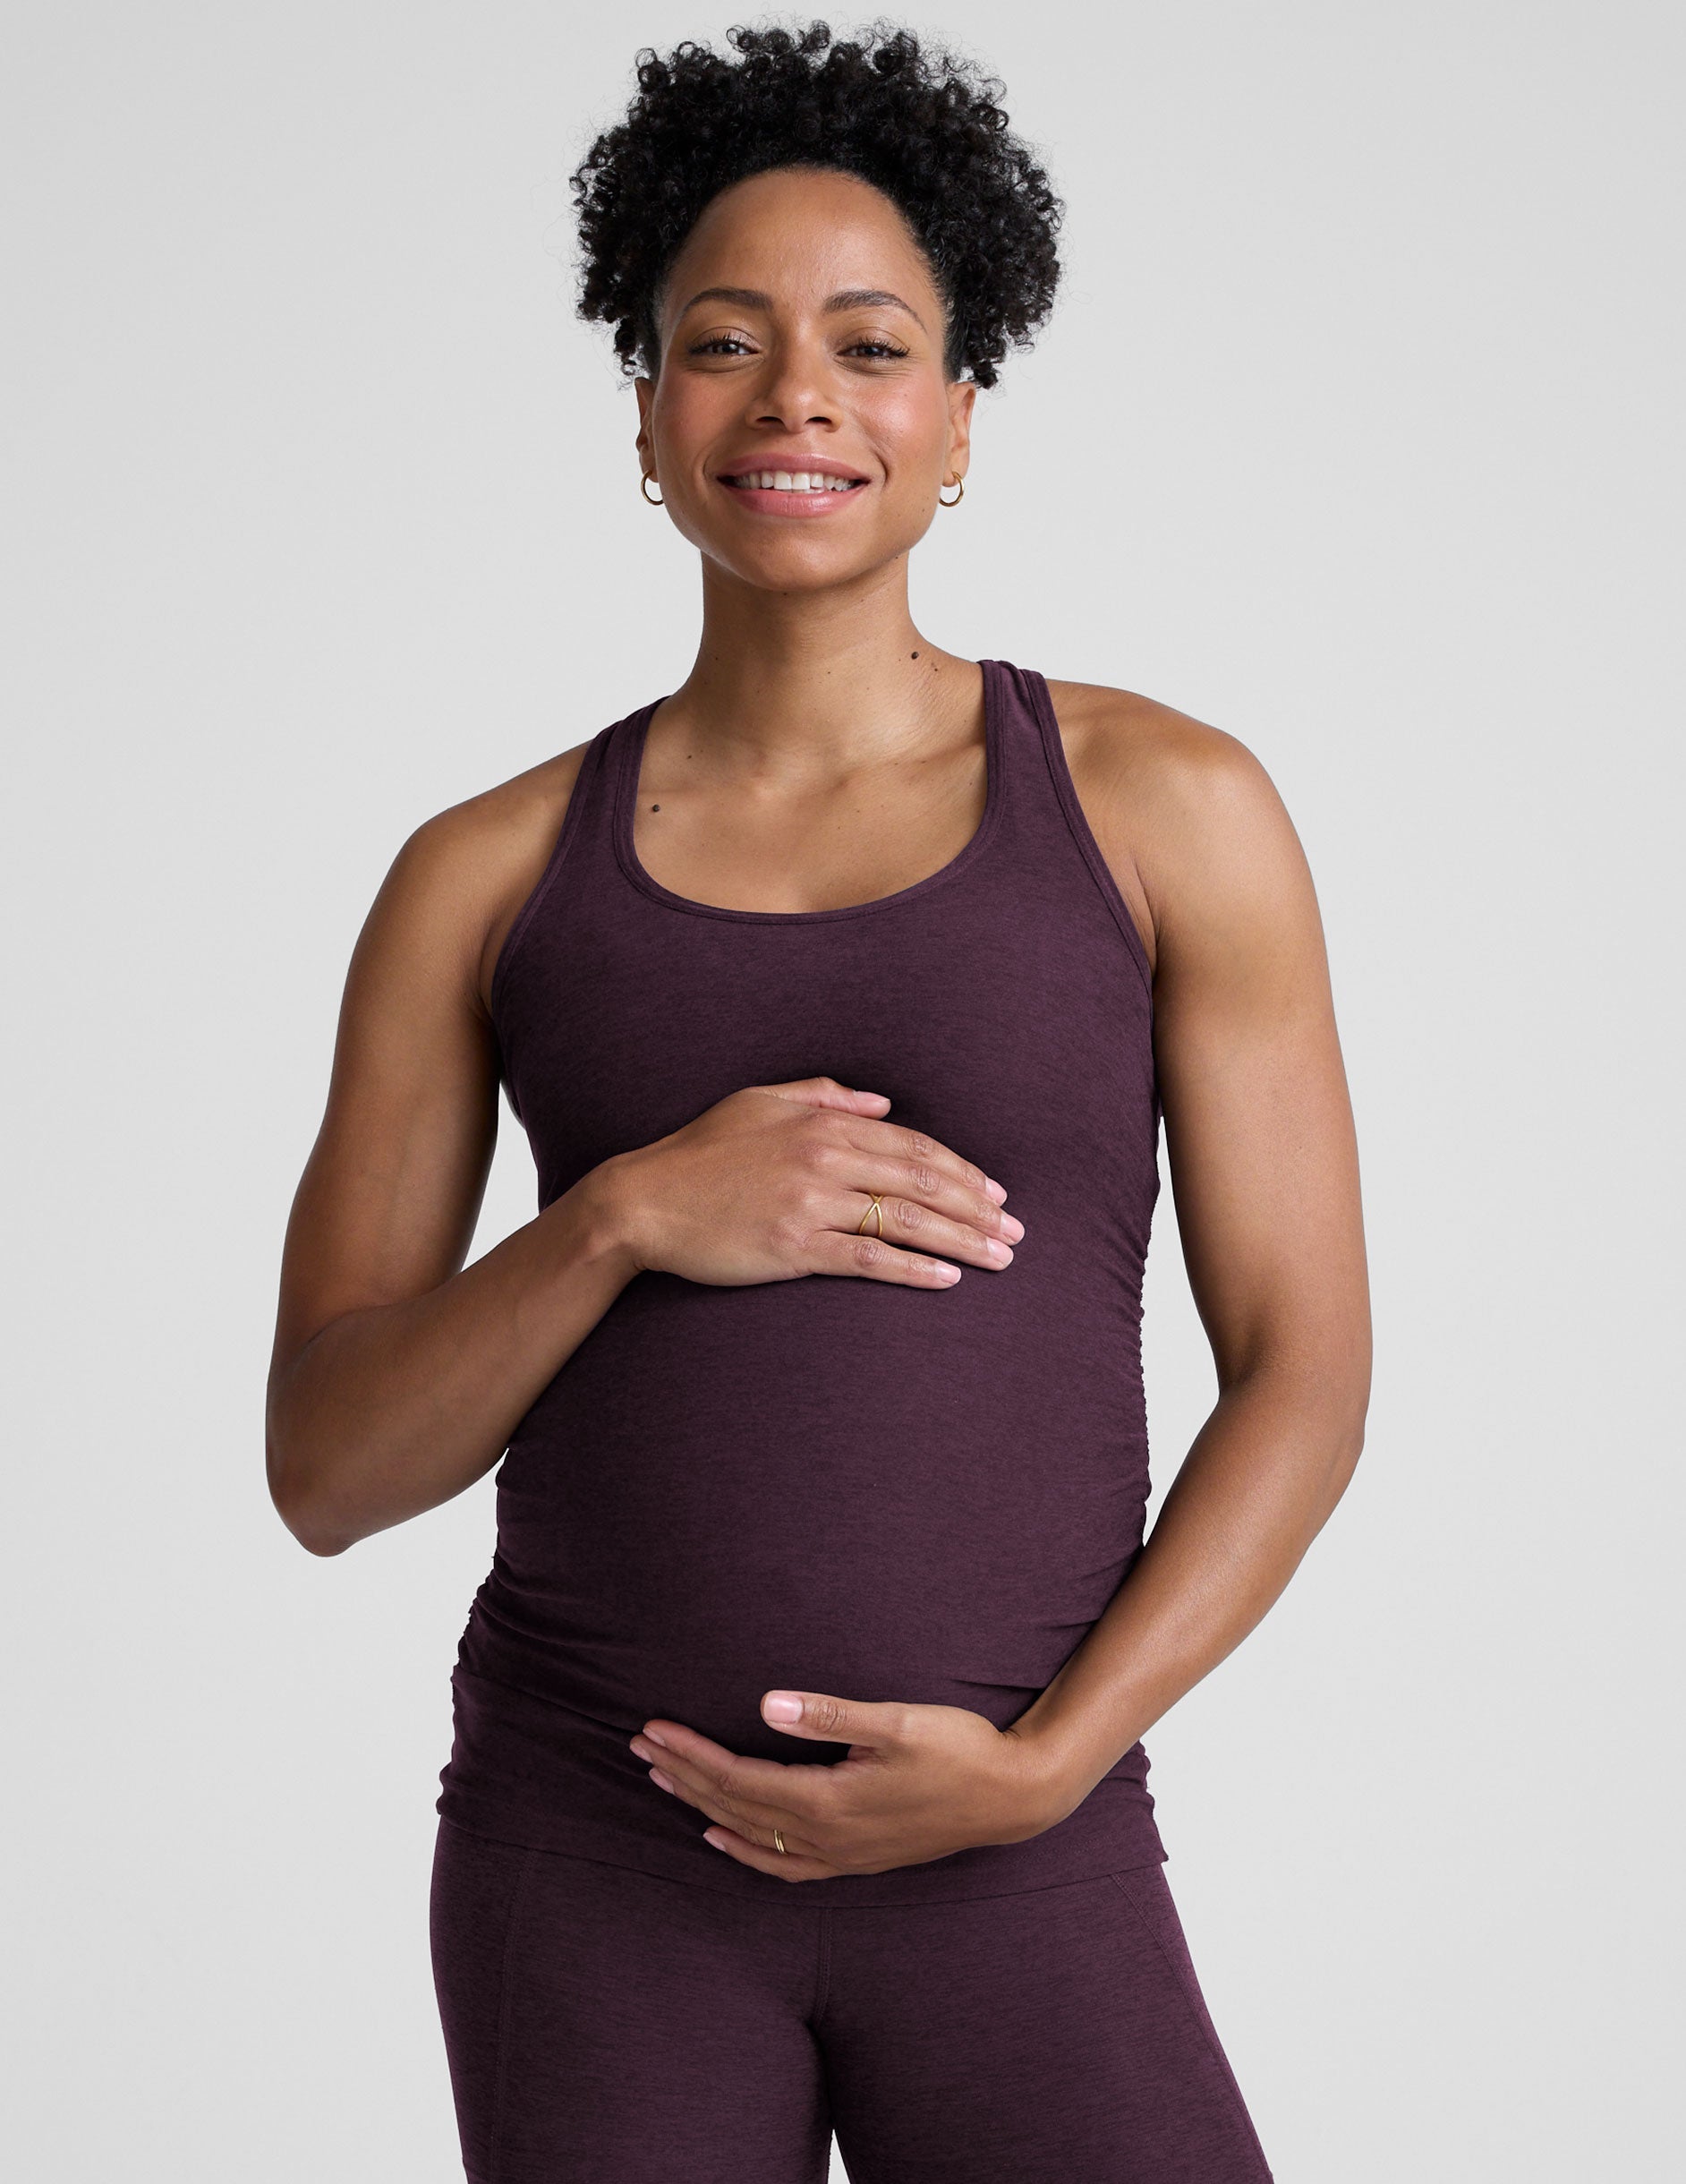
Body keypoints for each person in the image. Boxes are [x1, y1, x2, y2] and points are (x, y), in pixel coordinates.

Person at [266, 21, 1370, 2181]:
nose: (796, 398)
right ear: (649, 411)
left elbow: (1307, 1375)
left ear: (958, 420)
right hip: (598, 1862)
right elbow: (326, 1462)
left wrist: (1049, 1766)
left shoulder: (1166, 810)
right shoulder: (483, 877)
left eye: (871, 345)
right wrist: (617, 1214)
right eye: (722, 342)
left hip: (1018, 1847)